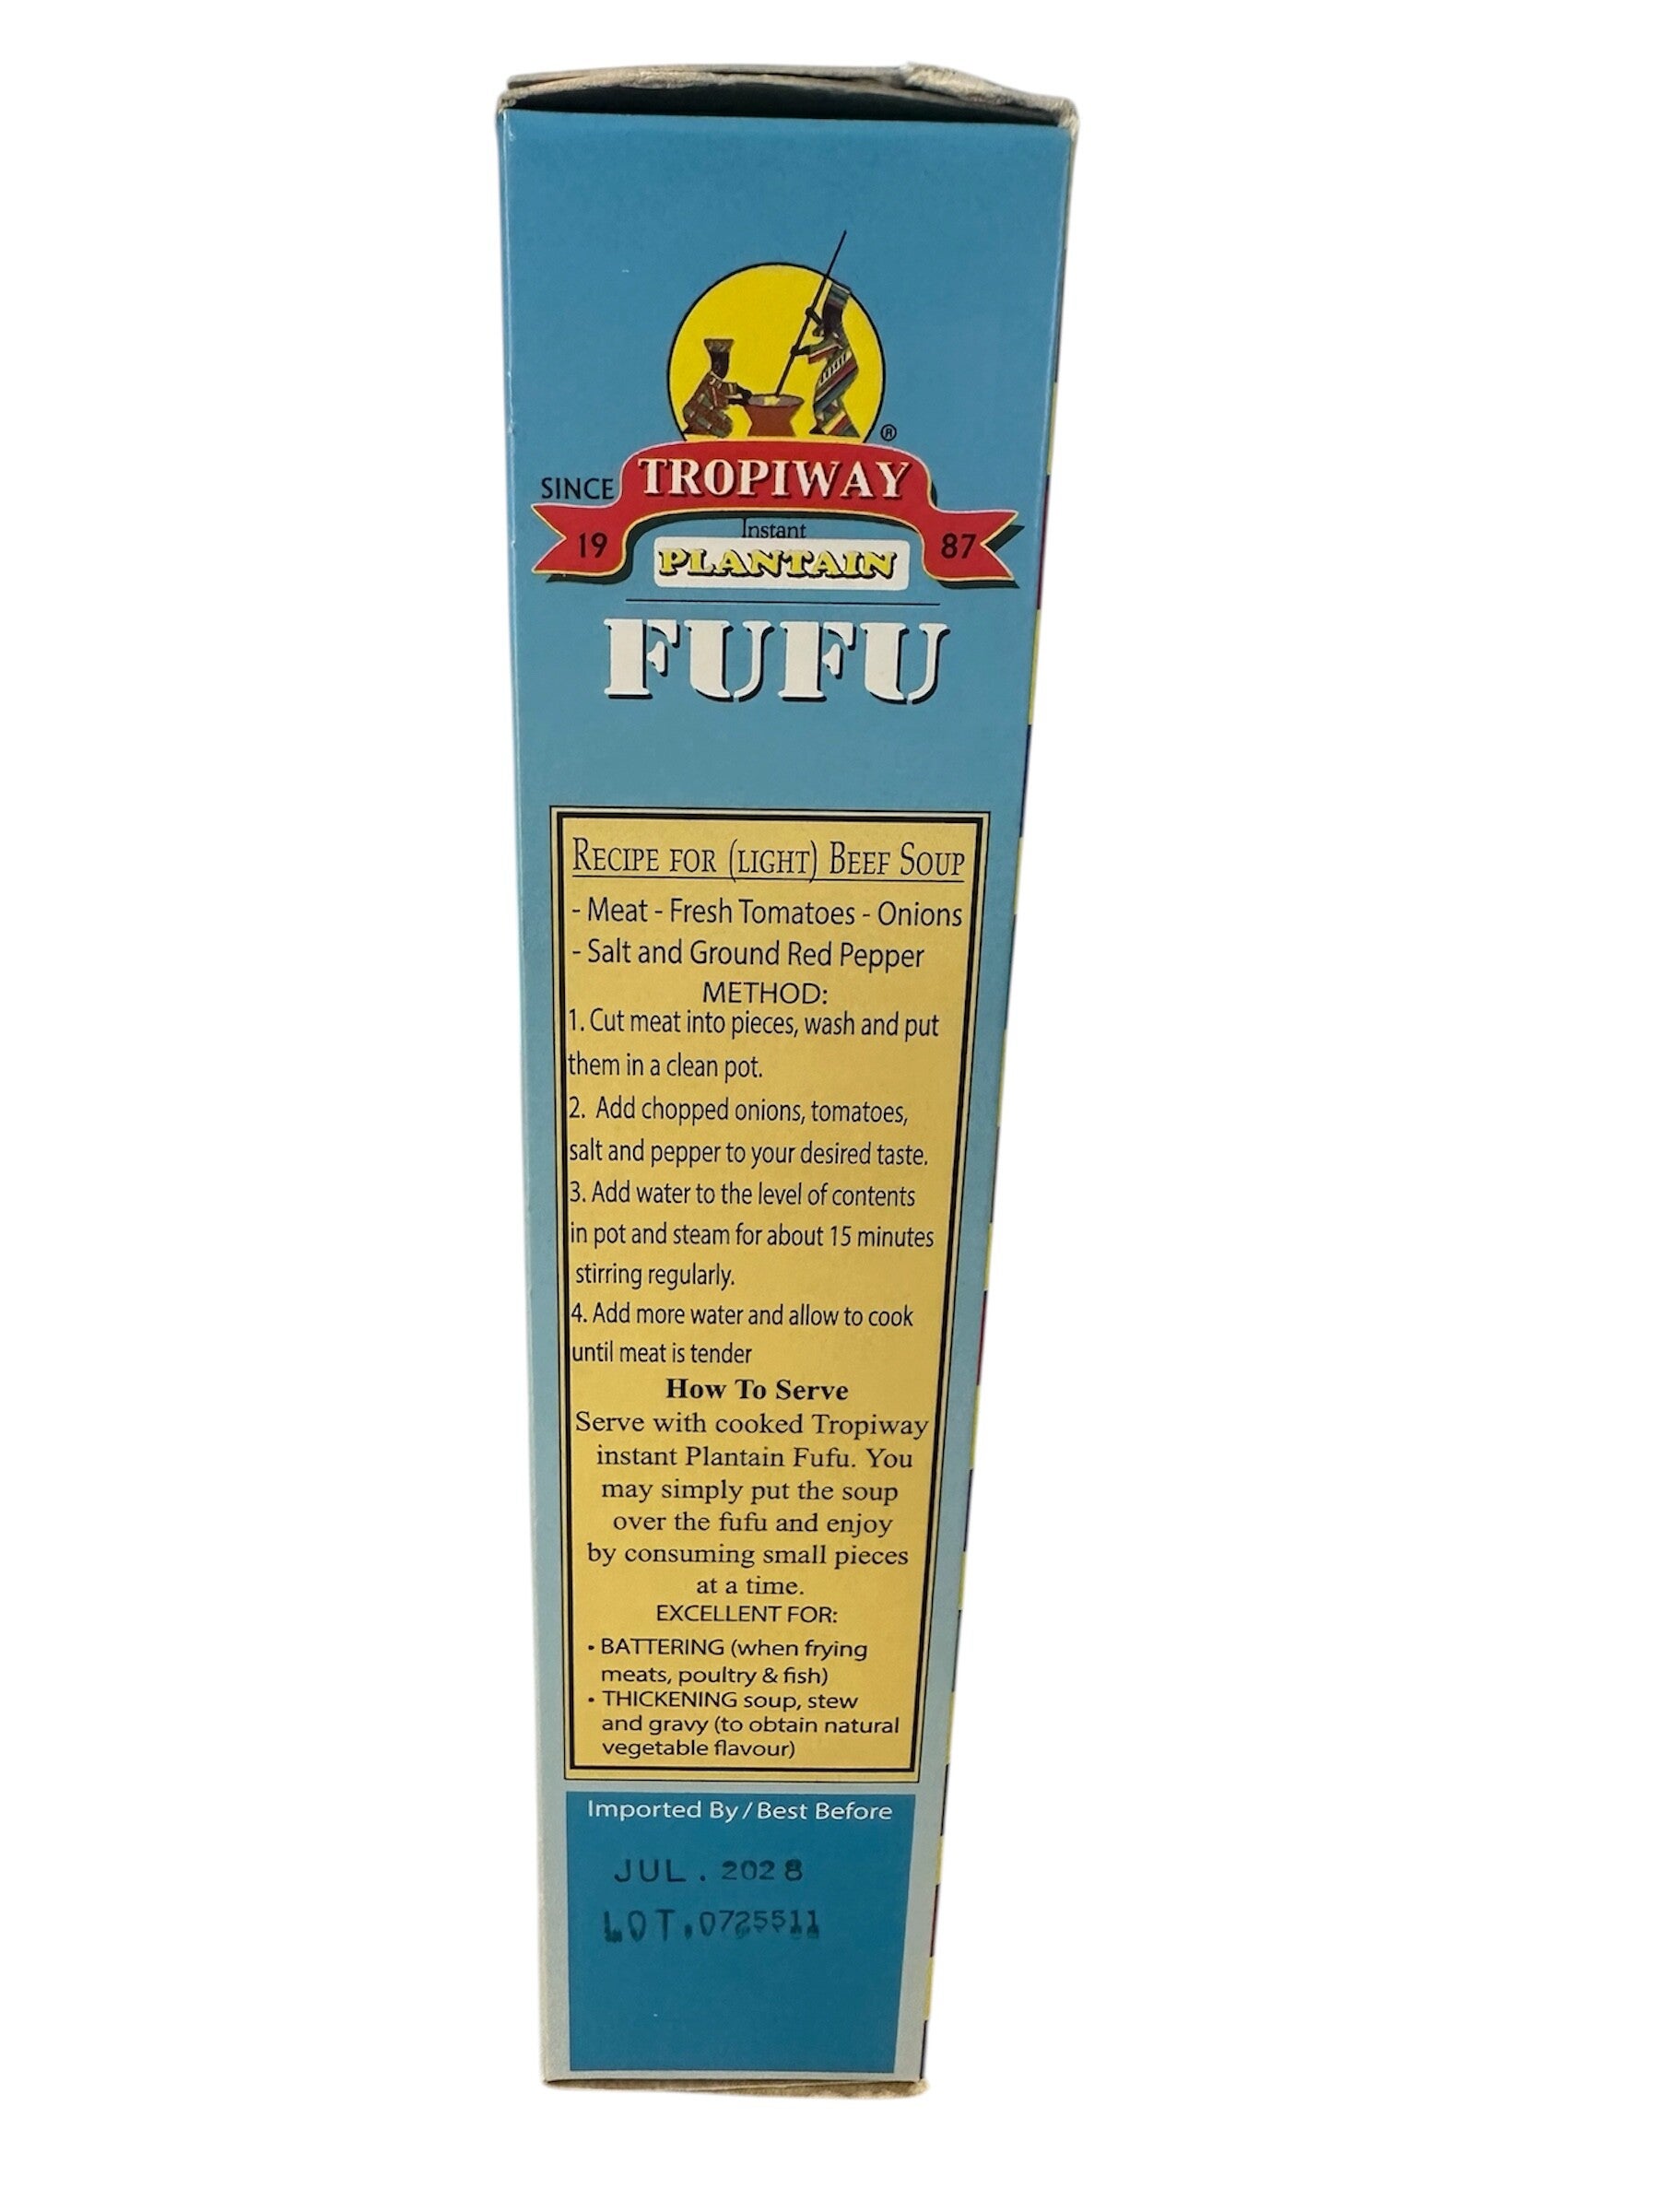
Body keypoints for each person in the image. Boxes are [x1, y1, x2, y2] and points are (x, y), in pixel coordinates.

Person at [804, 283, 859, 437]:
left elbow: (828, 345)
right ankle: (829, 426)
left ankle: (840, 430)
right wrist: (814, 317)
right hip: (841, 364)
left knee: (824, 394)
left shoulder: (836, 328)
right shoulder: (833, 324)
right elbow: (825, 329)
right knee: (828, 397)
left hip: (845, 365)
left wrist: (802, 351)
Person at [680, 337, 749, 439]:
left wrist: (739, 389)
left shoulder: (713, 379)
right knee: (726, 427)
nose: (727, 368)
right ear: (717, 366)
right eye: (725, 365)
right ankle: (698, 432)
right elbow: (717, 399)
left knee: (724, 424)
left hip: (704, 411)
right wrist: (738, 401)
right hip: (694, 413)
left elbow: (722, 387)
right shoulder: (709, 381)